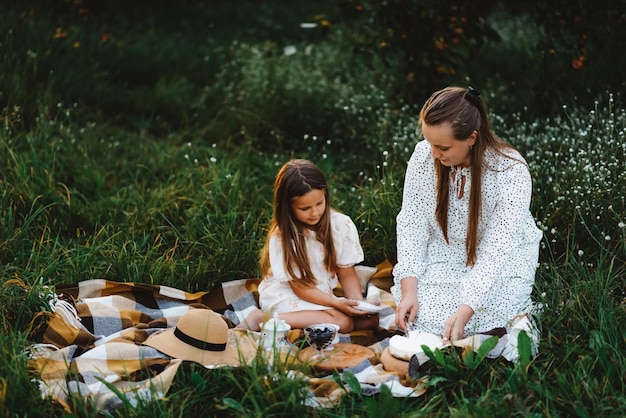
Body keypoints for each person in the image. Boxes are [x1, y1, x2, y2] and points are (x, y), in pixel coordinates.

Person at [392, 86, 542, 343]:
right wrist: (409, 291)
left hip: (501, 260)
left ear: (472, 138)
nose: (434, 154)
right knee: (422, 313)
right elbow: (411, 223)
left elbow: (497, 250)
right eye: (430, 143)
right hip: (446, 251)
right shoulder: (424, 156)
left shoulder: (510, 172)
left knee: (479, 319)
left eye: (443, 147)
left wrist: (465, 309)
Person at [238, 159, 379, 333]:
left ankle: (325, 320)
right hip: (288, 294)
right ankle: (262, 318)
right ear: (287, 208)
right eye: (305, 208)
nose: (315, 213)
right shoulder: (283, 238)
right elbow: (301, 289)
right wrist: (336, 303)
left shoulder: (341, 225)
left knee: (371, 320)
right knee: (344, 322)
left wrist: (358, 303)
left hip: (321, 294)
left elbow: (347, 273)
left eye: (319, 203)